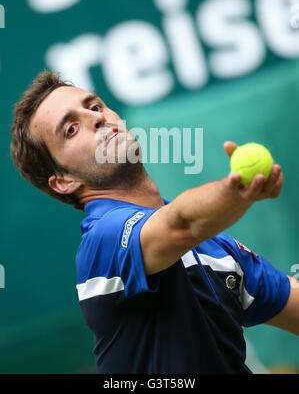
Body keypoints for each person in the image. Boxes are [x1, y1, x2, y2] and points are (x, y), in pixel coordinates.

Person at [10, 70, 298, 374]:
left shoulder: (218, 248)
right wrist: (235, 191)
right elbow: (182, 224)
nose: (96, 118)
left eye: (94, 107)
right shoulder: (102, 241)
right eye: (71, 129)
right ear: (64, 181)